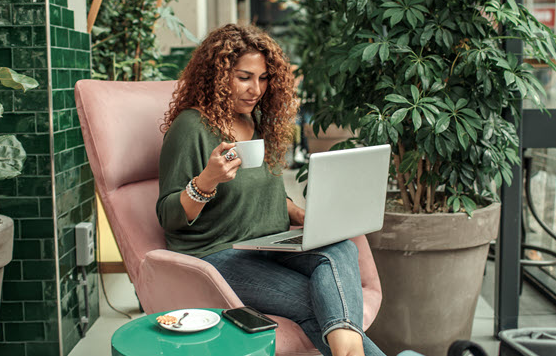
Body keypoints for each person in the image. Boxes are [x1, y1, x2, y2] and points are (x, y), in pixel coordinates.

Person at [156, 24, 387, 356]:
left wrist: (304, 216)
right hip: (215, 255)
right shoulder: (190, 127)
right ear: (217, 77)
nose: (256, 89)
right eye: (244, 77)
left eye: (263, 78)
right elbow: (168, 217)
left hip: (266, 244)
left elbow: (270, 192)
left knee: (342, 248)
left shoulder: (259, 120)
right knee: (320, 300)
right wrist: (207, 180)